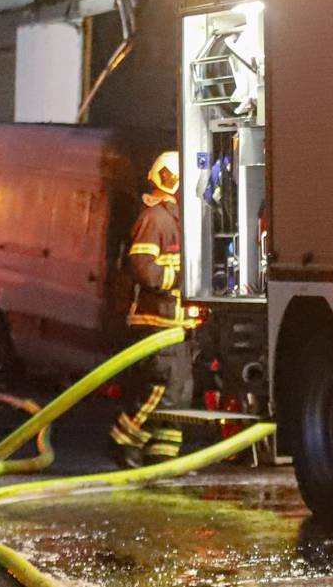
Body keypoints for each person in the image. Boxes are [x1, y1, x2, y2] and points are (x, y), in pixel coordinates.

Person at [112, 151, 192, 468]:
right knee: (160, 393)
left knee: (179, 395)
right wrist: (184, 280)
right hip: (156, 322)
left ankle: (162, 458)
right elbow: (144, 270)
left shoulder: (173, 218)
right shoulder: (154, 219)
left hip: (175, 324)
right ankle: (123, 443)